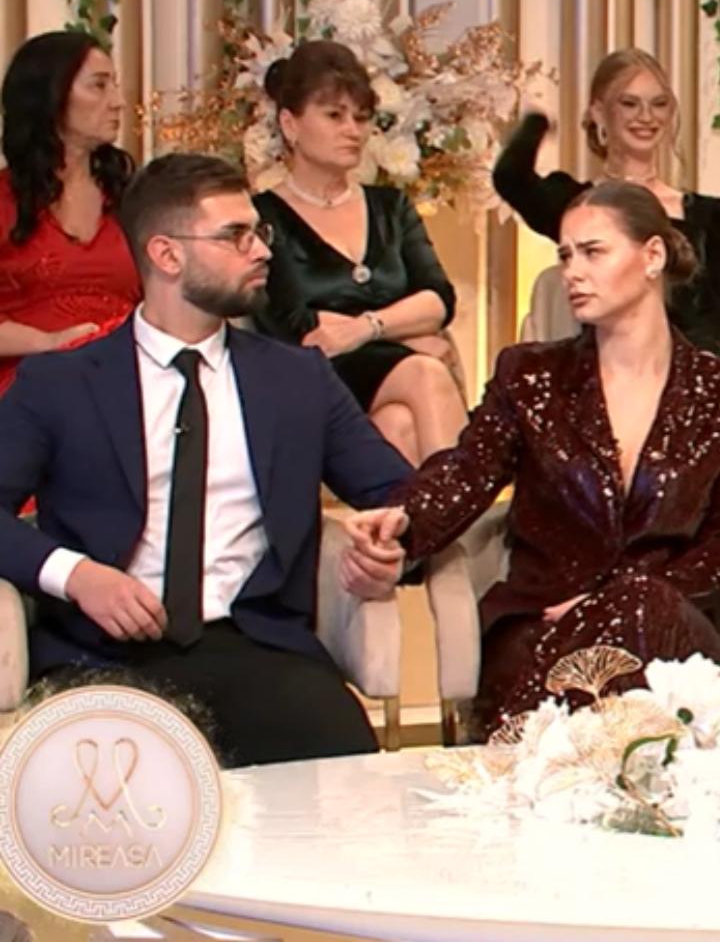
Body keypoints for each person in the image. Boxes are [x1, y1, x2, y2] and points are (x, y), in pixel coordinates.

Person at [0, 154, 412, 766]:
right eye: (234, 235)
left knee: (348, 774)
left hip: (261, 647)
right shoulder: (60, 383)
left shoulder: (298, 379)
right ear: (167, 255)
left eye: (258, 232)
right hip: (102, 656)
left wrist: (392, 542)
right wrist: (78, 576)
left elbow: (402, 492)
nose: (262, 250)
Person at [344, 182, 720, 737]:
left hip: (669, 634)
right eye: (566, 256)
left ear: (652, 256)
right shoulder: (531, 376)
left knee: (642, 608)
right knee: (619, 630)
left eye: (593, 252)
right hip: (539, 624)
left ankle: (527, 755)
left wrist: (614, 600)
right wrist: (402, 521)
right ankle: (550, 757)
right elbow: (466, 471)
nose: (573, 272)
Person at [251, 40, 467, 466]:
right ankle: (469, 509)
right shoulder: (262, 216)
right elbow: (297, 326)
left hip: (387, 378)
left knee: (399, 426)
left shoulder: (391, 206)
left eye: (361, 117)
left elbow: (438, 299)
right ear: (290, 124)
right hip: (311, 379)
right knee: (425, 372)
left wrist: (367, 329)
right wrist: (404, 333)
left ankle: (421, 514)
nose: (353, 130)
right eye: (335, 115)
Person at [492, 49, 720, 357]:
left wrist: (682, 367)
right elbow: (510, 178)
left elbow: (719, 317)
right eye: (630, 103)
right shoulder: (577, 205)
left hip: (689, 367)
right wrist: (536, 124)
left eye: (659, 104)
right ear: (598, 112)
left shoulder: (709, 213)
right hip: (602, 367)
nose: (646, 116)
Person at [0, 31, 140, 399]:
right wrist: (49, 343)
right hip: (26, 389)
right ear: (52, 95)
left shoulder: (132, 197)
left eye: (115, 85)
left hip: (125, 384)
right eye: (99, 86)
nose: (118, 102)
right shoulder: (3, 200)